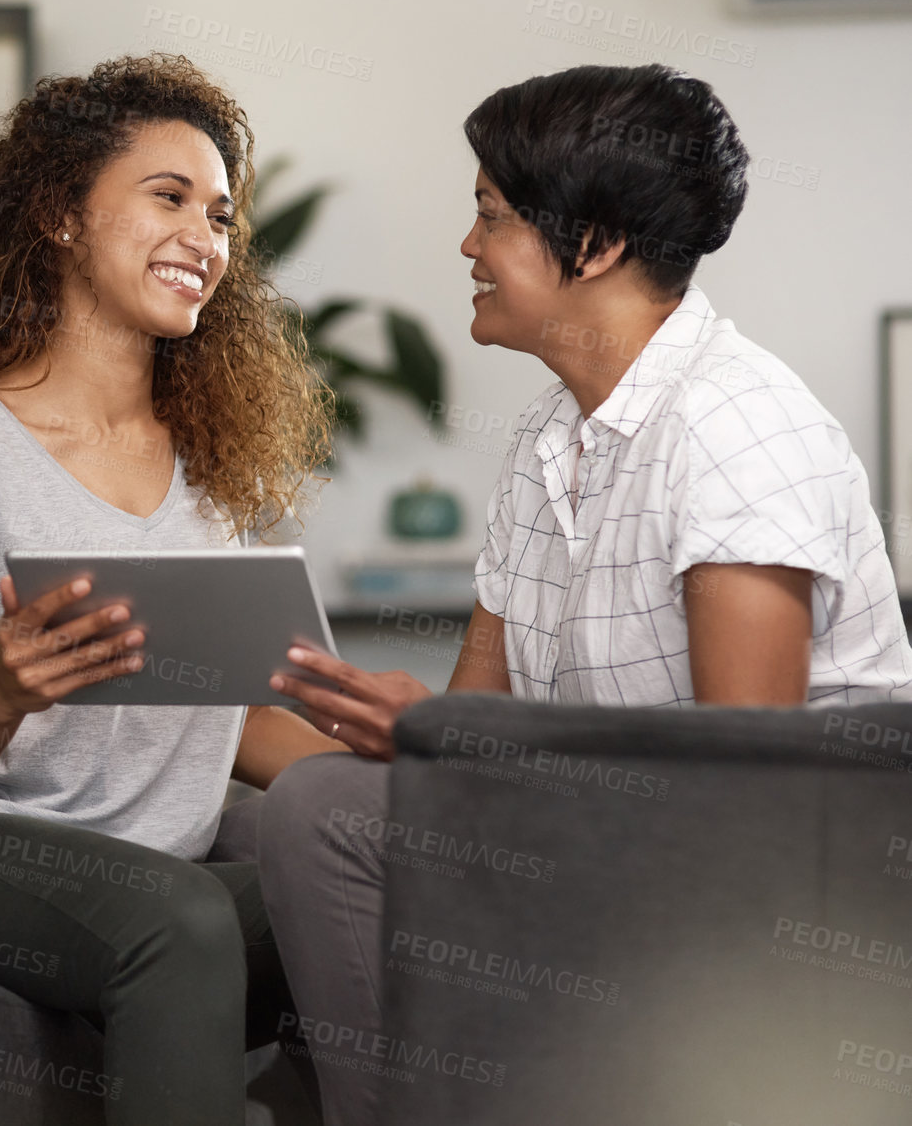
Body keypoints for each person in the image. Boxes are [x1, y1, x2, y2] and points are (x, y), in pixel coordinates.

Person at [256, 62, 912, 1126]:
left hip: (780, 879)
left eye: (491, 217)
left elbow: (751, 780)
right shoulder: (547, 438)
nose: (467, 248)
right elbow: (470, 728)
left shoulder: (734, 427)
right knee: (317, 807)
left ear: (595, 244)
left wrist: (443, 732)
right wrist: (374, 723)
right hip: (621, 838)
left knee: (327, 817)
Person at [0, 53, 344, 1125]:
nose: (207, 239)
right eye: (169, 197)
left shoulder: (209, 478)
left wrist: (401, 783)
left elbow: (226, 721)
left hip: (120, 875)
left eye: (222, 215)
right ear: (59, 214)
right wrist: (6, 688)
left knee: (350, 879)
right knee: (177, 920)